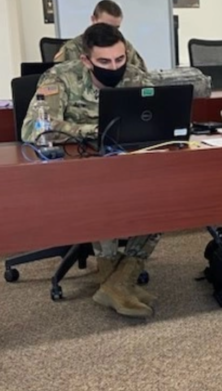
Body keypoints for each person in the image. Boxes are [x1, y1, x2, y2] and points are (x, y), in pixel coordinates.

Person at [22, 23, 159, 318]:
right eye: (104, 62)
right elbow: (34, 128)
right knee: (105, 193)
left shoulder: (135, 76)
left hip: (127, 165)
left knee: (162, 198)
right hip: (77, 174)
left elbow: (156, 116)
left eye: (120, 59)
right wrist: (94, 131)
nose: (115, 67)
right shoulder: (60, 77)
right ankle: (115, 281)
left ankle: (120, 282)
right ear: (86, 60)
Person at [54, 0, 148, 72]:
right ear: (93, 19)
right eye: (106, 26)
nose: (110, 32)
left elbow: (143, 78)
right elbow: (57, 79)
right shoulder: (71, 49)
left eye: (116, 28)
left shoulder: (126, 47)